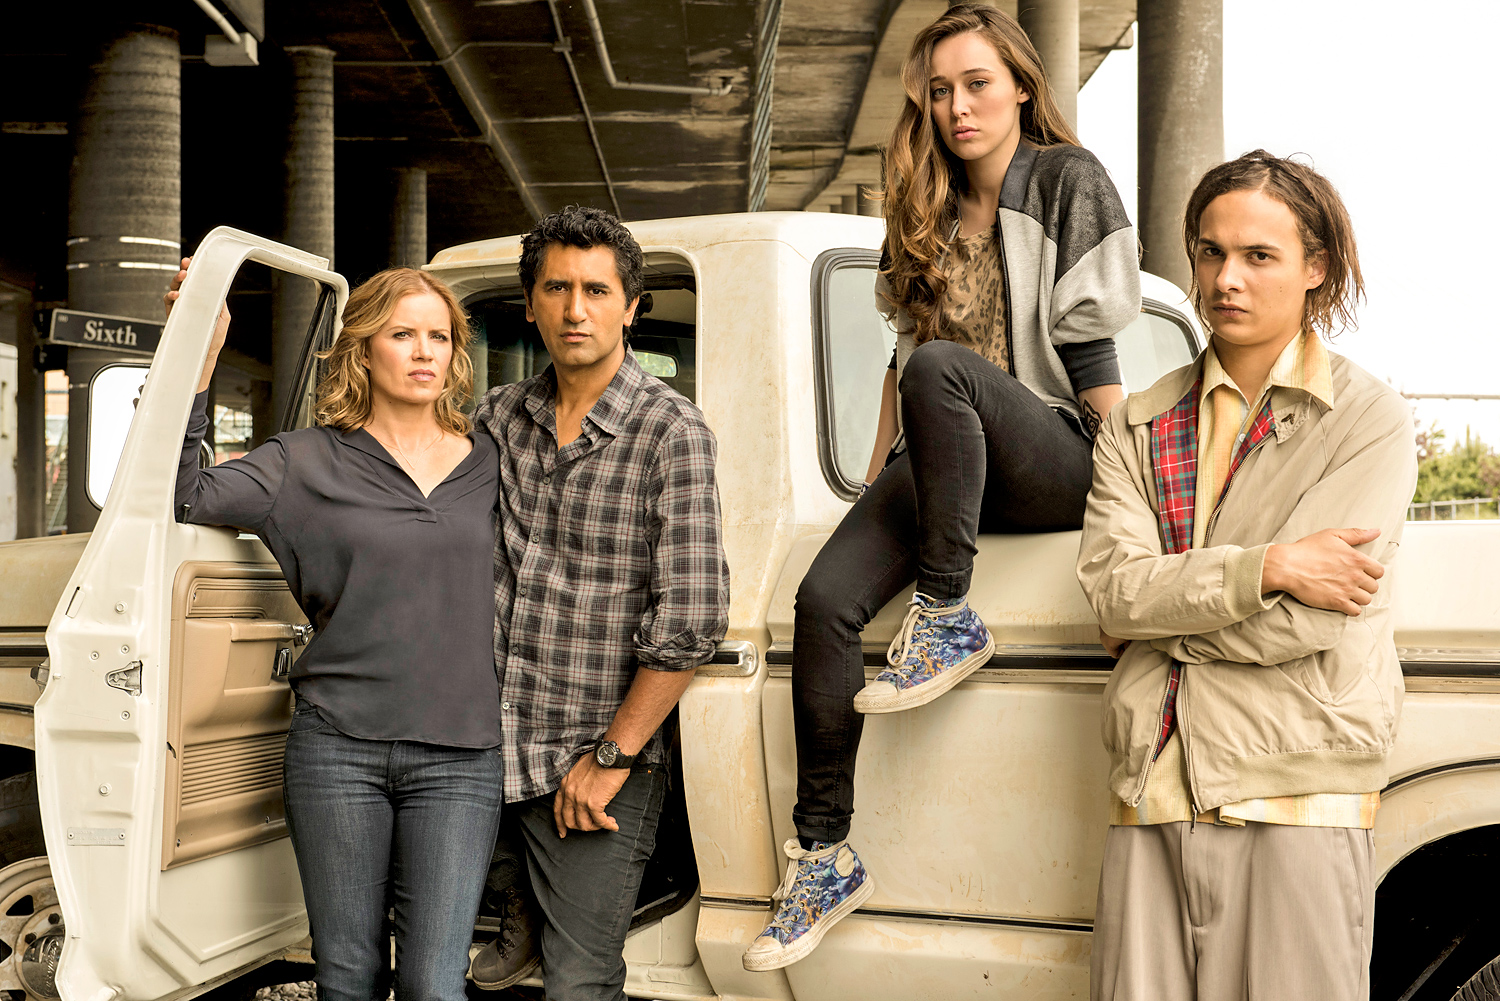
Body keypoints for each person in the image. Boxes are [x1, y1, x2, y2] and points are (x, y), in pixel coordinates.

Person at [742, 3, 1141, 972]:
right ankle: (824, 853)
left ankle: (948, 615)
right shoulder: (919, 204)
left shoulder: (1067, 179)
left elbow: (1093, 359)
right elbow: (900, 362)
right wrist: (873, 493)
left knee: (942, 371)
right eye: (939, 90)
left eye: (977, 83)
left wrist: (1136, 501)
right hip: (948, 457)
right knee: (823, 599)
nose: (958, 106)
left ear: (1021, 87)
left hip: (1054, 453)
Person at [1077, 151, 1418, 1001]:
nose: (1226, 278)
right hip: (1153, 789)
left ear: (1315, 268)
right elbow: (1114, 593)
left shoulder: (1367, 419)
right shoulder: (1137, 423)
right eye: (1211, 252)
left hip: (1299, 789)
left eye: (1259, 255)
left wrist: (1156, 622)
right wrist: (1271, 566)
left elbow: (1311, 621)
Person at [168, 264, 503, 1001]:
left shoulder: (493, 462)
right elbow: (184, 493)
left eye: (439, 336)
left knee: (434, 984)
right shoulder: (302, 461)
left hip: (461, 756)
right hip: (337, 750)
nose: (424, 351)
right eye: (402, 334)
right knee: (348, 979)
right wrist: (202, 347)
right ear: (364, 348)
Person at [464, 205, 730, 1001]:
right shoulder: (496, 419)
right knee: (434, 948)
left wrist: (611, 758)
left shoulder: (670, 431)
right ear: (530, 303)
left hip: (589, 753)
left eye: (596, 290)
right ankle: (517, 895)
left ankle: (539, 909)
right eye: (556, 288)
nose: (575, 309)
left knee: (579, 982)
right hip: (483, 741)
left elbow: (691, 619)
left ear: (631, 307)